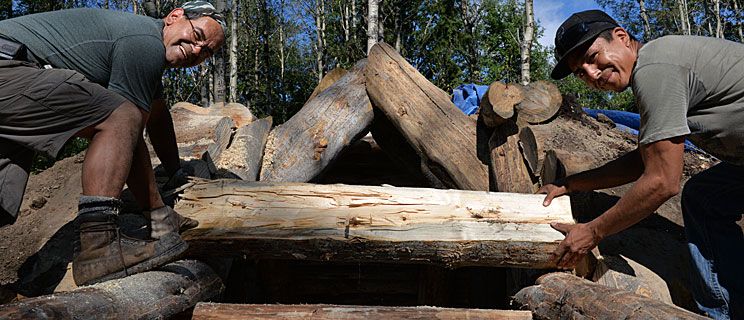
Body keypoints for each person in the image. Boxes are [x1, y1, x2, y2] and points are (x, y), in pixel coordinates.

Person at [0, 1, 225, 286]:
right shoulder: (144, 42)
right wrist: (158, 213)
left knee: (1, 198)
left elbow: (157, 117)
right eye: (198, 37)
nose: (196, 51)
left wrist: (175, 172)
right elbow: (128, 131)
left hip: (11, 75)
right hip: (8, 66)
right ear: (174, 17)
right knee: (120, 114)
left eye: (206, 52)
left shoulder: (143, 48)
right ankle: (99, 248)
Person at [541, 9, 744, 319]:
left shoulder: (654, 69)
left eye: (593, 56)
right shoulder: (656, 68)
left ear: (621, 37)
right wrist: (572, 183)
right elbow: (647, 157)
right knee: (705, 198)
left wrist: (592, 232)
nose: (592, 74)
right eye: (581, 71)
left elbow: (663, 181)